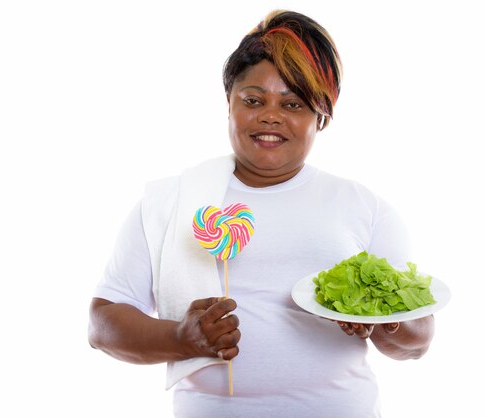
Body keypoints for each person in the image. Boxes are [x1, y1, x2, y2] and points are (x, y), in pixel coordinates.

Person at [88, 9, 435, 418]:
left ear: (320, 118)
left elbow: (419, 341)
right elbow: (103, 324)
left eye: (293, 104)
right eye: (253, 100)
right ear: (229, 102)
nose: (271, 115)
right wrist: (182, 337)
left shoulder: (363, 206)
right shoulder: (172, 200)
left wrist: (381, 320)